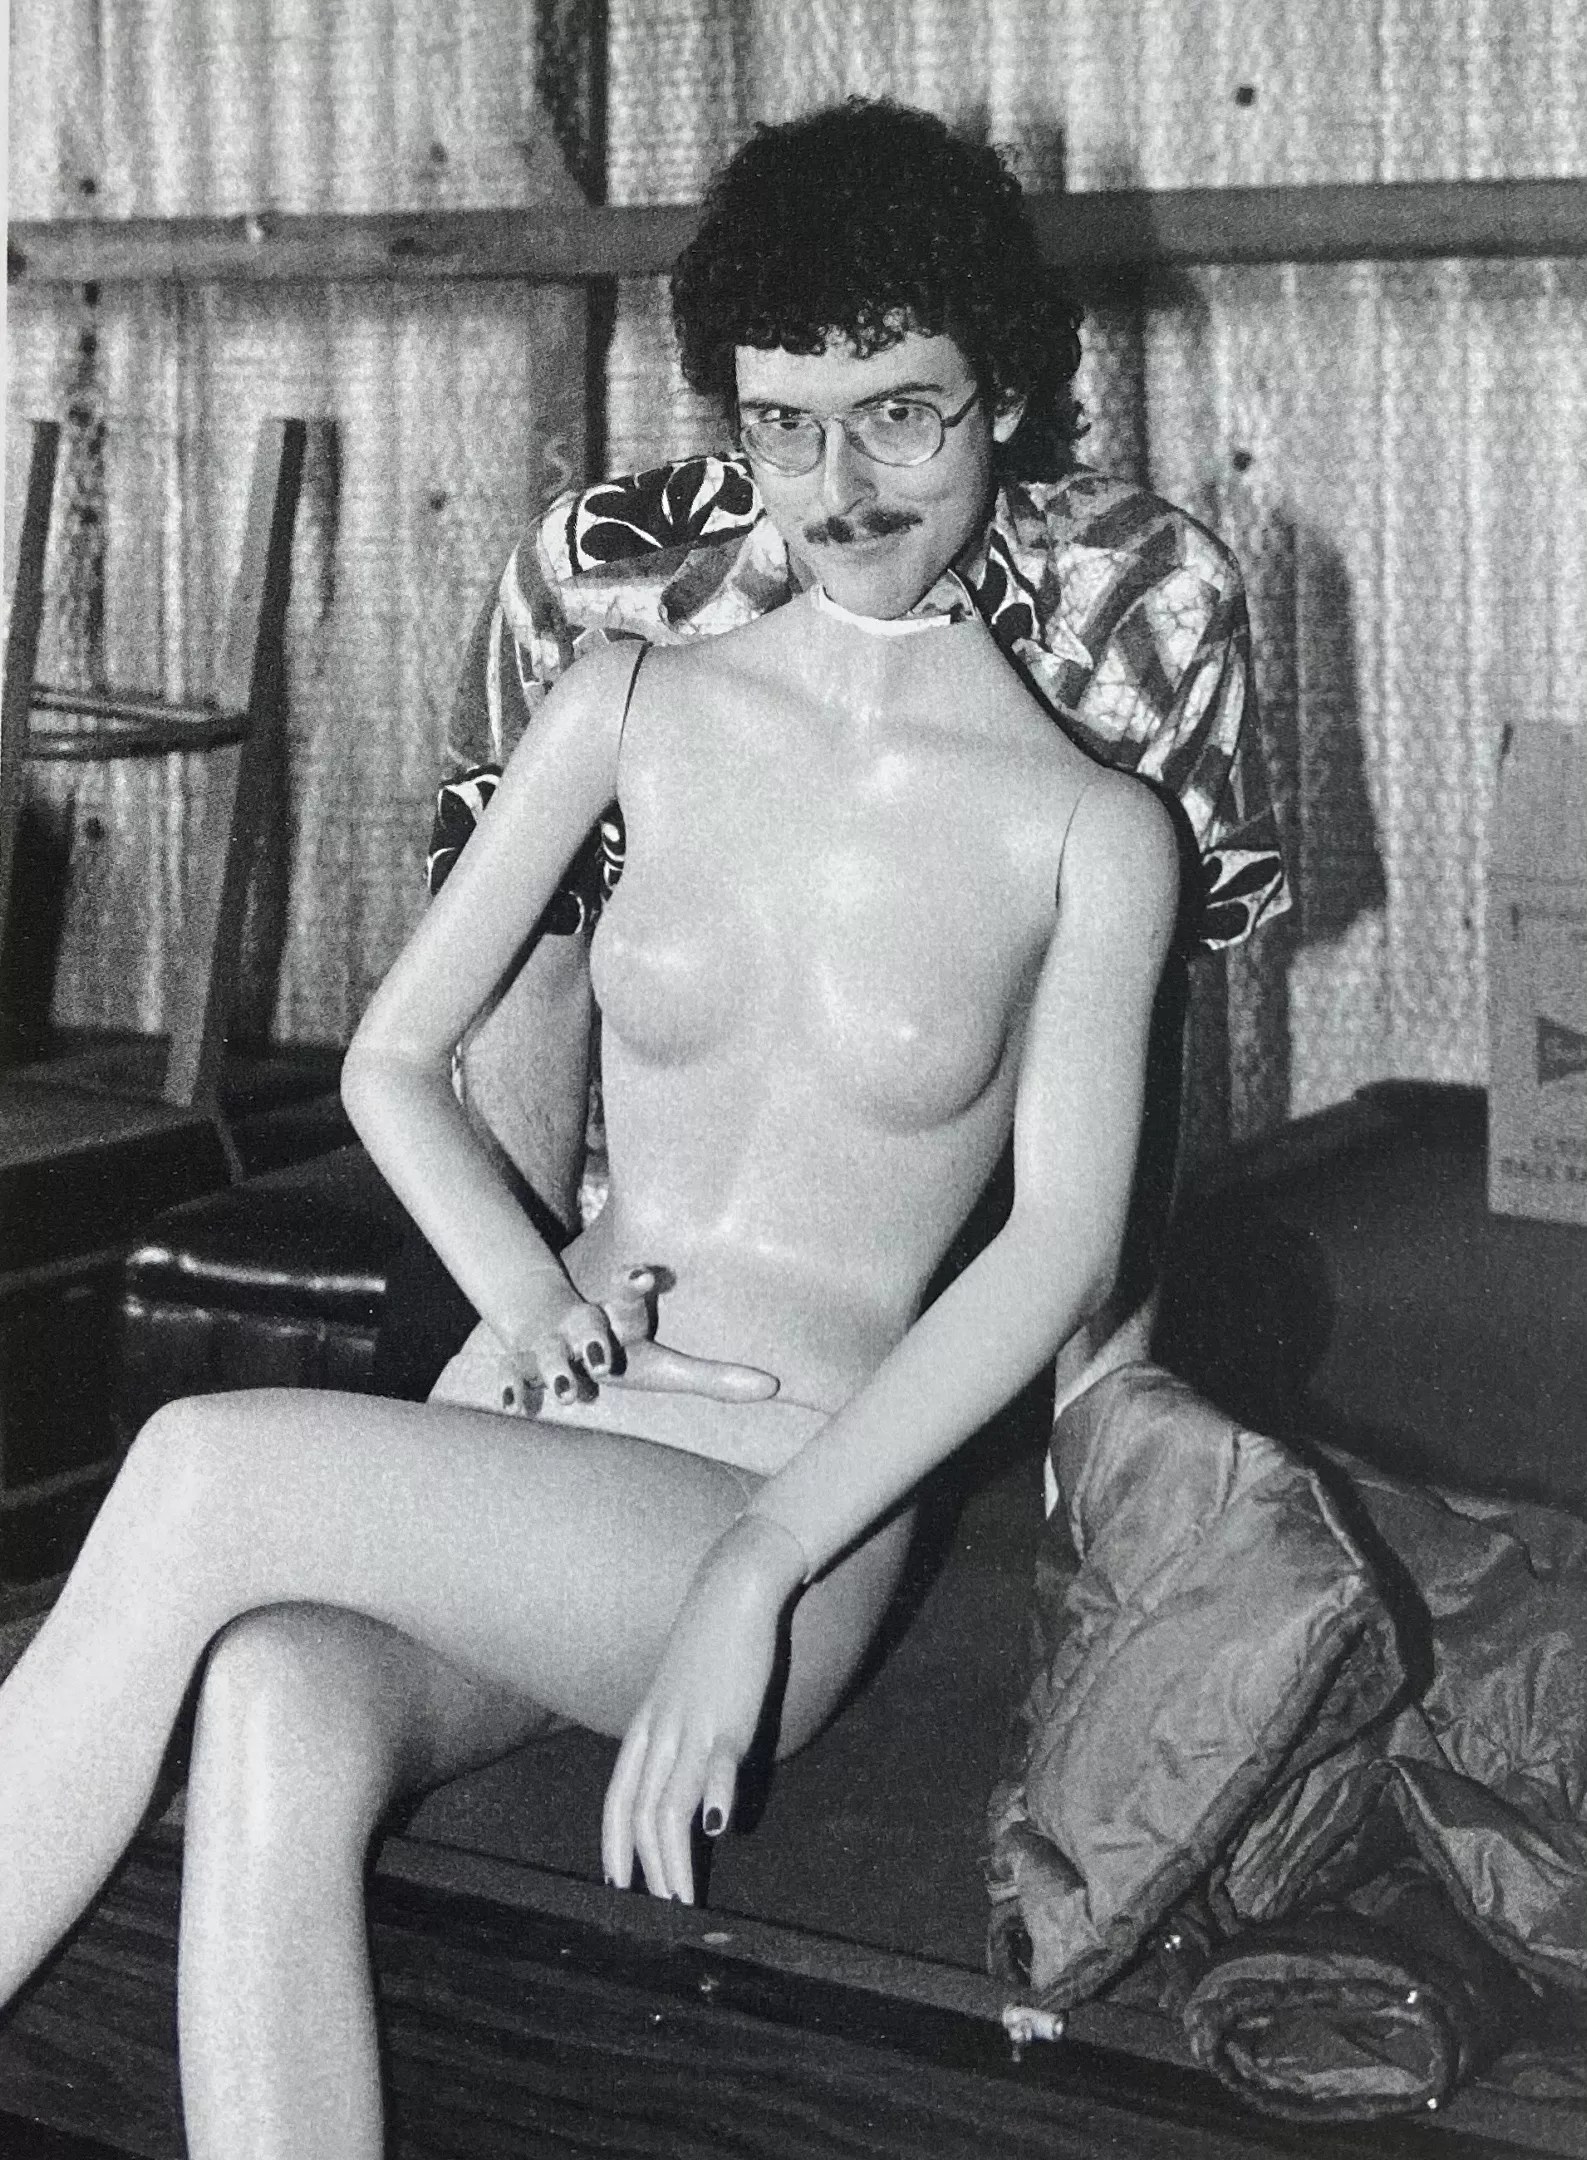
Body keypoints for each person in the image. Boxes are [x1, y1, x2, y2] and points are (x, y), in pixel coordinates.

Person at [0, 100, 1282, 2160]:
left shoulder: (1087, 833)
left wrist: (770, 1559)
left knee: (198, 1468)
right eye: (784, 428)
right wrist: (526, 1296)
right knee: (273, 1703)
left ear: (1009, 400)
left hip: (777, 1502)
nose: (840, 488)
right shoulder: (624, 701)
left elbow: (1061, 1248)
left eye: (899, 418)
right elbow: (393, 1061)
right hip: (536, 1432)